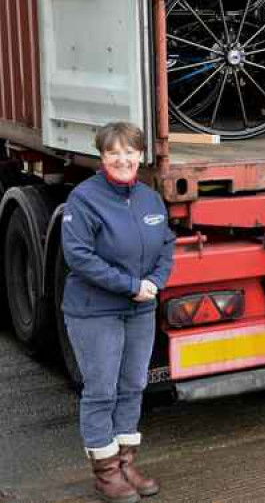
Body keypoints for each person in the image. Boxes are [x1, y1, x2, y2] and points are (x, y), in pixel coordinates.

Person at [61, 122, 176, 503]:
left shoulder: (149, 197)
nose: (123, 159)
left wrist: (156, 281)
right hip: (96, 311)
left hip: (141, 308)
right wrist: (131, 286)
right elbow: (78, 256)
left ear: (141, 155)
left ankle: (126, 463)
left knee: (133, 386)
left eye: (130, 152)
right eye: (114, 153)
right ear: (103, 157)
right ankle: (106, 472)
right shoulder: (85, 198)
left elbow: (166, 245)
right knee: (101, 391)